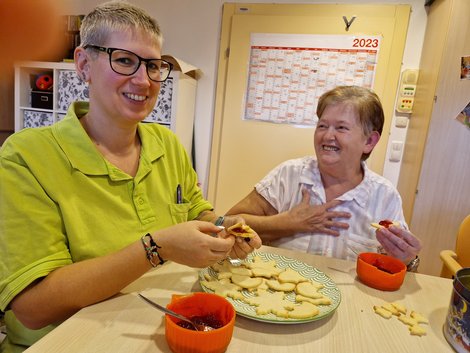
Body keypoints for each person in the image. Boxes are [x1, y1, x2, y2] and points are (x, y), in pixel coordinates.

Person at [0, 2, 261, 352]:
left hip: (155, 327)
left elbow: (196, 210)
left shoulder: (166, 144)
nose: (144, 80)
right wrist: (157, 247)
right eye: (124, 60)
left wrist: (227, 226)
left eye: (154, 65)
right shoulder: (26, 156)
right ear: (83, 64)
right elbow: (33, 308)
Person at [226, 85, 421, 267]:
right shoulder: (289, 175)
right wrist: (286, 223)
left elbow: (400, 268)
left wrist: (408, 261)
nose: (327, 136)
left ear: (369, 141)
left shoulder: (385, 197)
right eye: (322, 126)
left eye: (341, 128)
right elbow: (228, 221)